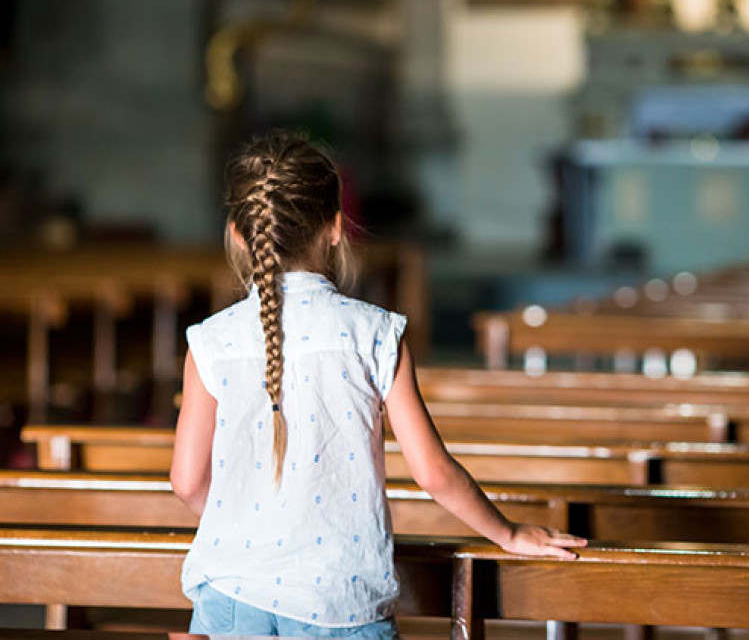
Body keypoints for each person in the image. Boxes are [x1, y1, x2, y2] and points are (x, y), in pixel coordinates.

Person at [169, 131, 586, 638]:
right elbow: (431, 472)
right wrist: (509, 532)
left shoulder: (209, 341)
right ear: (337, 228)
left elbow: (188, 483)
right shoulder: (375, 333)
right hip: (339, 599)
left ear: (238, 234)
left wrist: (252, 529)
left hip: (229, 591)